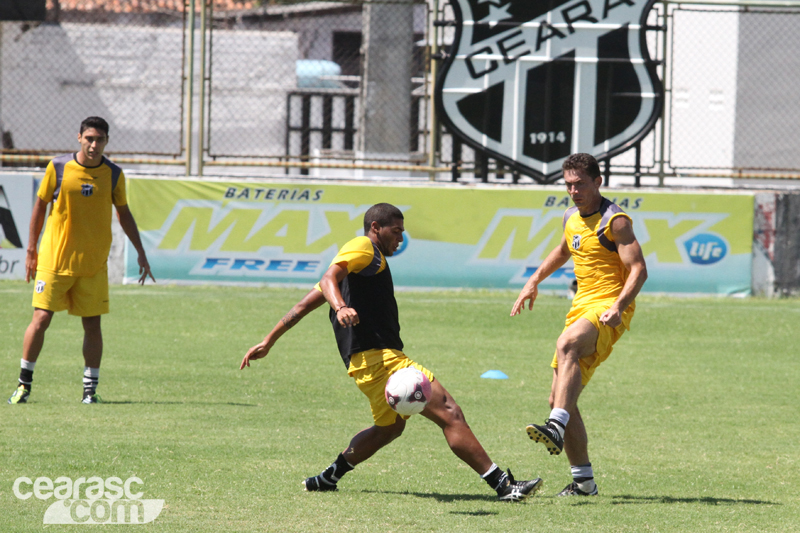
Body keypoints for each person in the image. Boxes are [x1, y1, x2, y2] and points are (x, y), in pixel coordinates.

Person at [242, 203, 541, 502]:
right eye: (395, 231)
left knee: (389, 429)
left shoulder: (359, 265)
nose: (400, 238)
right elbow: (327, 279)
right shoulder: (363, 247)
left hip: (363, 364)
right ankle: (504, 486)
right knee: (450, 413)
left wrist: (269, 340)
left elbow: (304, 304)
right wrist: (341, 307)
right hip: (382, 359)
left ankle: (328, 477)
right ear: (375, 228)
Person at [510, 153, 647, 496]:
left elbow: (639, 269)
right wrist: (534, 280)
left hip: (608, 309)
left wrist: (618, 306)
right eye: (568, 184)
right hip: (580, 306)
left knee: (568, 344)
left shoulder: (615, 222)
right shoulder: (570, 216)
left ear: (598, 182)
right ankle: (584, 482)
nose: (574, 191)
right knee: (559, 397)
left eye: (580, 184)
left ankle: (555, 427)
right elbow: (562, 250)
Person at [7, 116, 155, 405]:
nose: (94, 144)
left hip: (92, 265)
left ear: (107, 141)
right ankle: (24, 385)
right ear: (79, 138)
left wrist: (141, 251)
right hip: (54, 260)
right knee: (41, 319)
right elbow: (40, 206)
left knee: (92, 324)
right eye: (89, 138)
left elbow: (124, 214)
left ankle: (90, 390)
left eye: (99, 139)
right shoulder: (59, 168)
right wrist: (31, 250)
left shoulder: (113, 174)